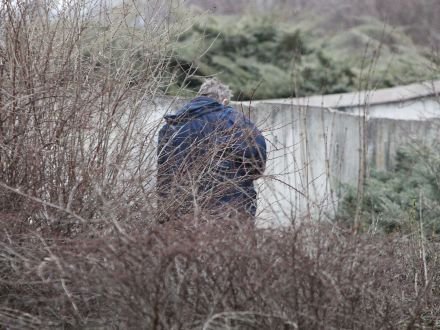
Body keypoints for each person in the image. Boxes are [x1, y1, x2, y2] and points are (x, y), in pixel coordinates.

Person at [157, 78, 266, 222]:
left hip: (180, 215)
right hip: (228, 214)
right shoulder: (235, 122)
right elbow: (257, 163)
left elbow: (164, 175)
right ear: (225, 101)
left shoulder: (170, 127)